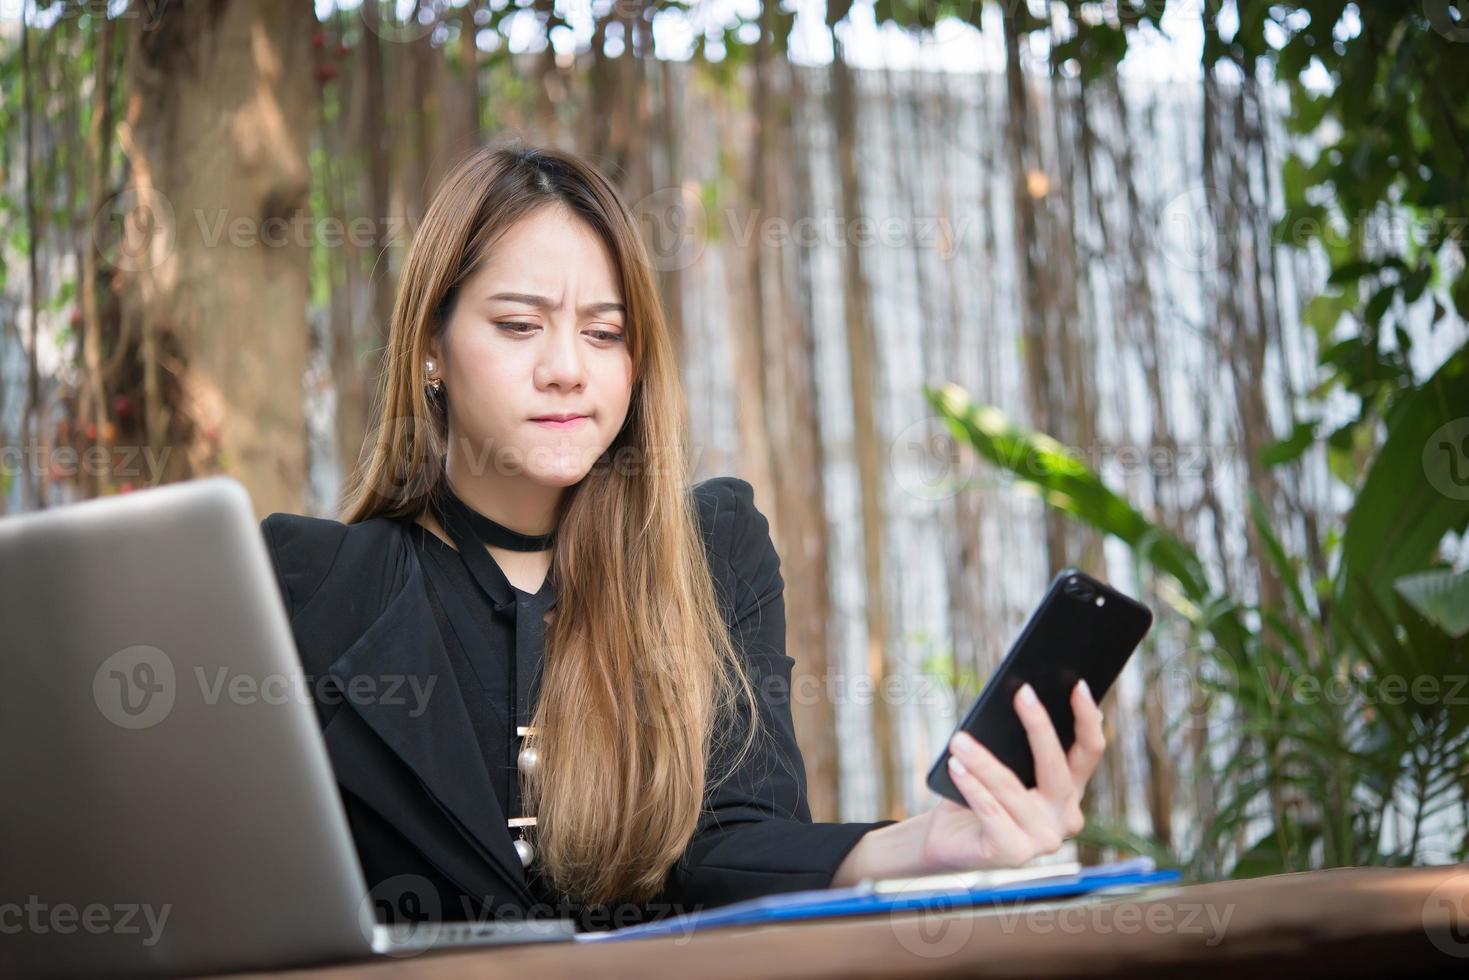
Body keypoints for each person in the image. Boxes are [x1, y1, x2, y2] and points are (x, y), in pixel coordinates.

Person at [259, 142, 1106, 932]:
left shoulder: (711, 552)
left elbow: (737, 843)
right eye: (519, 326)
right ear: (431, 351)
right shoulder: (314, 583)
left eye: (604, 332)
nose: (567, 367)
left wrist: (930, 844)